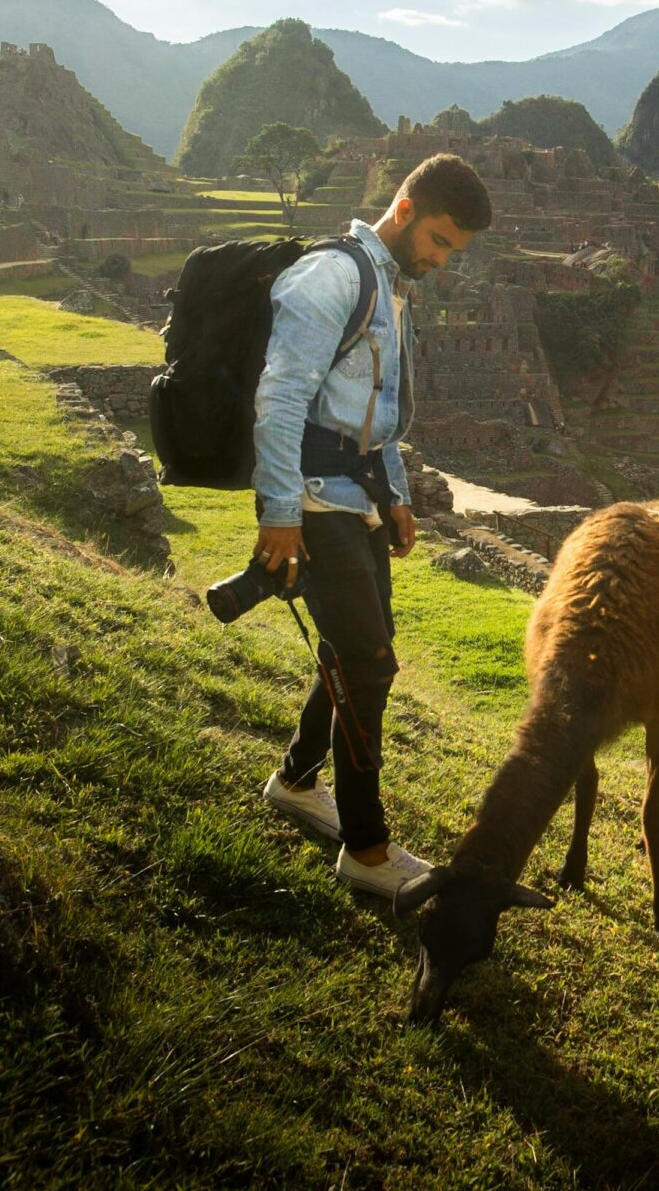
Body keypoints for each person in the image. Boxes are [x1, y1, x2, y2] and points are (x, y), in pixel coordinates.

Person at [255, 153, 492, 897]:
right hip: (317, 503)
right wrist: (280, 515)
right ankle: (366, 849)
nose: (442, 260)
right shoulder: (334, 278)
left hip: (356, 502)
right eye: (440, 241)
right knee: (371, 665)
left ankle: (295, 779)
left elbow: (377, 418)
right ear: (405, 208)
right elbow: (281, 400)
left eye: (453, 250)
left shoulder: (391, 290)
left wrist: (393, 495)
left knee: (355, 649)